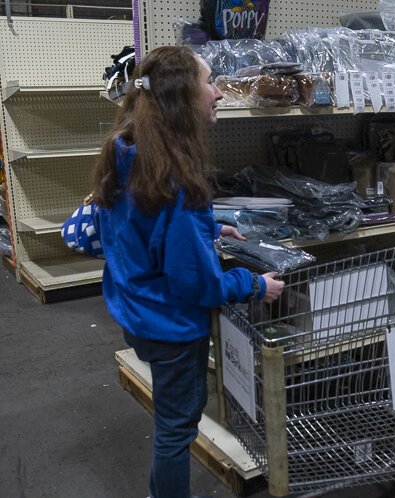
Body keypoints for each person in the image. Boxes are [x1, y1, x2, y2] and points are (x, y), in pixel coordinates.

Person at [90, 46, 285, 498]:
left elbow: (137, 225)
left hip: (137, 312)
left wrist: (206, 226)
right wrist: (255, 285)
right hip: (172, 327)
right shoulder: (175, 180)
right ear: (181, 96)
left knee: (170, 421)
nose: (218, 92)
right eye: (210, 82)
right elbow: (197, 284)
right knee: (177, 430)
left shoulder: (127, 151)